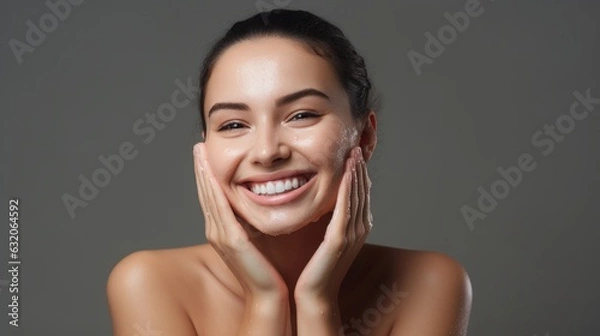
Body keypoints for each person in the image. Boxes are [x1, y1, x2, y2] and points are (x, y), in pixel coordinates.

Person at [106, 9, 472, 336]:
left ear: (364, 135)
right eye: (233, 124)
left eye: (302, 115)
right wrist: (265, 301)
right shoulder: (147, 283)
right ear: (204, 150)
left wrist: (317, 301)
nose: (267, 152)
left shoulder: (427, 284)